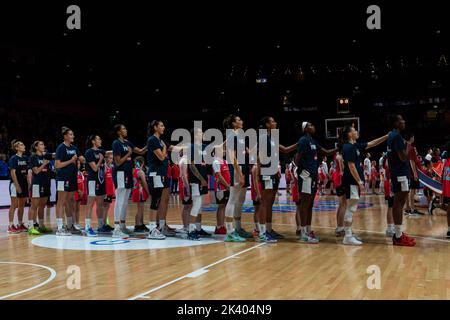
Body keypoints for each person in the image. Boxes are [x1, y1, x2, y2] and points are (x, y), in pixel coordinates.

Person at [340, 126, 388, 245]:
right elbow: (351, 166)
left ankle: (349, 233)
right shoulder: (348, 147)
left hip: (353, 182)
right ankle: (347, 236)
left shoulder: (354, 146)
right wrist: (360, 182)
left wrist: (386, 136)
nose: (356, 132)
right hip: (351, 182)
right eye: (354, 130)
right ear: (349, 134)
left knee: (352, 207)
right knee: (350, 208)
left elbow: (372, 143)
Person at [296, 121, 337, 243]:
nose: (313, 126)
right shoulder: (303, 140)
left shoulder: (313, 141)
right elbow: (298, 157)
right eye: (310, 125)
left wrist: (338, 148)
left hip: (313, 176)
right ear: (305, 129)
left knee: (310, 205)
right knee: (304, 204)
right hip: (306, 176)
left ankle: (308, 230)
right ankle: (303, 234)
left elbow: (325, 152)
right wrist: (302, 171)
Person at [111, 124, 147, 238]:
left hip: (127, 174)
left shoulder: (127, 142)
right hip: (120, 173)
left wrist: (149, 145)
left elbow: (140, 151)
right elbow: (117, 162)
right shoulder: (116, 143)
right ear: (118, 132)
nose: (126, 130)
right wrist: (128, 153)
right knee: (120, 200)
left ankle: (122, 226)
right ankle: (116, 228)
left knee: (126, 201)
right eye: (123, 129)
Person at [387, 114, 416, 246]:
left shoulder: (391, 136)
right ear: (396, 123)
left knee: (399, 202)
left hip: (397, 173)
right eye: (401, 120)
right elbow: (403, 157)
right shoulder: (397, 137)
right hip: (400, 174)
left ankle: (398, 233)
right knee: (399, 203)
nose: (403, 121)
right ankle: (398, 236)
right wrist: (408, 147)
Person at [223, 114, 253, 239]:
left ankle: (238, 228)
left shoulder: (240, 136)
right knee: (232, 200)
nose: (242, 121)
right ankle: (229, 232)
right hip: (237, 170)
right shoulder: (231, 136)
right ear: (233, 123)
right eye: (239, 119)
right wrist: (240, 174)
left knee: (240, 201)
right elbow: (232, 157)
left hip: (244, 168)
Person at [146, 120, 176, 239]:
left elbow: (174, 148)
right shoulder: (152, 140)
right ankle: (152, 229)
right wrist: (164, 147)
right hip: (156, 174)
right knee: (156, 200)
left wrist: (191, 146)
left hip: (163, 173)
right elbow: (161, 156)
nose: (164, 127)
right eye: (161, 125)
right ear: (155, 127)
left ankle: (162, 226)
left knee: (164, 200)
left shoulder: (161, 141)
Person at [55, 127, 81, 236]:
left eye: (72, 134)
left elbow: (80, 157)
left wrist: (81, 159)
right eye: (70, 134)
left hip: (72, 178)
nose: (73, 136)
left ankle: (70, 225)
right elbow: (57, 165)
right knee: (61, 202)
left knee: (70, 202)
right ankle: (60, 228)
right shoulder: (61, 148)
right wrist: (71, 161)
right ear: (65, 136)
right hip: (62, 178)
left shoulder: (74, 148)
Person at [186, 127, 212, 240]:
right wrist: (201, 179)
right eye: (201, 132)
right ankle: (191, 230)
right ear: (196, 135)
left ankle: (198, 228)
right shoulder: (191, 147)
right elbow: (191, 165)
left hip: (203, 179)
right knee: (196, 204)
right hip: (196, 180)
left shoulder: (205, 147)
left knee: (200, 205)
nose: (203, 133)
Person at [27, 141, 53, 235]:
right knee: (34, 206)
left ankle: (41, 226)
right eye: (41, 144)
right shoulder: (33, 157)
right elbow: (36, 171)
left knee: (42, 206)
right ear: (36, 147)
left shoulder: (45, 156)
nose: (43, 146)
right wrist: (44, 164)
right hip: (37, 184)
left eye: (43, 144)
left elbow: (55, 155)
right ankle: (30, 227)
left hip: (46, 183)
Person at [84, 135, 107, 237]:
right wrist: (101, 159)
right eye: (98, 139)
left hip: (101, 180)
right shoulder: (89, 152)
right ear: (93, 141)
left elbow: (109, 153)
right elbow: (94, 168)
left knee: (100, 203)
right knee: (90, 203)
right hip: (92, 180)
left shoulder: (101, 151)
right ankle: (88, 227)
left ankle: (101, 225)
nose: (100, 140)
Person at [7, 140, 29, 234]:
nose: (23, 146)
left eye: (23, 144)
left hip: (24, 184)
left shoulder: (25, 158)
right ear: (17, 148)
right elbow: (13, 173)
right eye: (21, 145)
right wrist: (17, 185)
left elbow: (27, 172)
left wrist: (28, 184)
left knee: (22, 206)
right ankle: (10, 225)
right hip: (15, 184)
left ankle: (20, 224)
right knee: (14, 205)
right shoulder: (13, 158)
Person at [212, 144, 231, 237]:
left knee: (223, 206)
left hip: (226, 187)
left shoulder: (224, 161)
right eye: (221, 149)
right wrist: (227, 186)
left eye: (223, 149)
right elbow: (219, 175)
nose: (223, 151)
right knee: (221, 206)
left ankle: (222, 225)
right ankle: (219, 226)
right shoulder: (216, 162)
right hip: (220, 188)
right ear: (216, 151)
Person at [403, 132, 424, 215]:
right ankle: (412, 209)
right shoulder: (411, 148)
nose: (414, 138)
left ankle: (407, 208)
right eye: (413, 137)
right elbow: (412, 161)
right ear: (411, 138)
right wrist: (415, 174)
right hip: (411, 173)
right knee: (412, 191)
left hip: (406, 172)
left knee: (408, 191)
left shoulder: (405, 147)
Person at [132, 156, 150, 233]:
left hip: (135, 190)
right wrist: (148, 192)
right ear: (142, 163)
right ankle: (137, 225)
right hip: (140, 191)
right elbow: (144, 183)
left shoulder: (134, 171)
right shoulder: (141, 172)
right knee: (140, 209)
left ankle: (141, 224)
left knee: (140, 209)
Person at [333, 150, 346, 237]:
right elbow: (342, 170)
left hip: (336, 179)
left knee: (340, 204)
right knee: (343, 204)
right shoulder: (340, 156)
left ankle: (338, 227)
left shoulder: (336, 155)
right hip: (340, 179)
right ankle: (341, 228)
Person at [101, 151, 115, 232]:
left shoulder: (112, 167)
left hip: (110, 190)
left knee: (107, 207)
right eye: (109, 158)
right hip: (105, 190)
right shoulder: (104, 167)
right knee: (104, 207)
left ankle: (105, 224)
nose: (111, 159)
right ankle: (103, 224)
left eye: (111, 158)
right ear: (106, 159)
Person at [383, 157, 395, 237]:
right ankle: (390, 228)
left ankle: (391, 227)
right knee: (391, 207)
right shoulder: (389, 159)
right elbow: (390, 171)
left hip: (389, 182)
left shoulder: (387, 158)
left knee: (392, 206)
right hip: (390, 183)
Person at [440, 142, 450, 237]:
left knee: (449, 210)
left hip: (447, 191)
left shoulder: (446, 161)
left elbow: (442, 178)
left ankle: (449, 229)